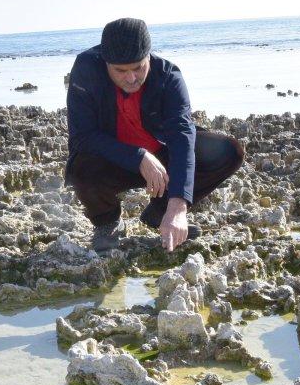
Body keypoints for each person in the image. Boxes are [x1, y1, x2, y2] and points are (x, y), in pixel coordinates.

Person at [65, 17, 245, 252]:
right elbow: (82, 136)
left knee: (229, 151)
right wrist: (138, 156)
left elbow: (182, 139)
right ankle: (107, 222)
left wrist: (178, 206)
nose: (131, 78)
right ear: (105, 62)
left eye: (139, 67)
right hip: (112, 160)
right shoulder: (87, 68)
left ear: (149, 55)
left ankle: (160, 213)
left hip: (162, 159)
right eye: (120, 71)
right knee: (81, 167)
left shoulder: (169, 77)